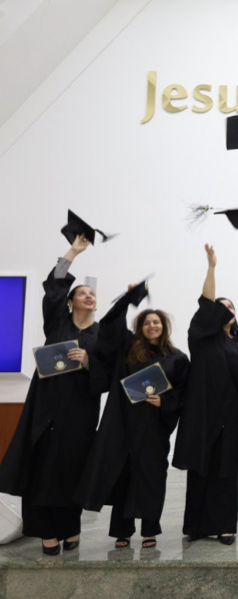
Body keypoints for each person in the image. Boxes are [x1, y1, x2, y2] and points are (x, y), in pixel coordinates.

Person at [0, 234, 100, 555]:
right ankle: (46, 532)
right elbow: (54, 286)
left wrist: (88, 362)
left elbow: (109, 376)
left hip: (79, 415)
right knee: (41, 469)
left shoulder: (101, 336)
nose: (88, 296)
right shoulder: (57, 322)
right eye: (81, 293)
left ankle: (70, 527)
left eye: (91, 293)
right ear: (70, 302)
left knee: (71, 468)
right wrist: (73, 252)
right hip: (44, 410)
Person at [75, 286, 189, 549]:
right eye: (147, 322)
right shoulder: (127, 348)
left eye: (156, 322)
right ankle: (122, 531)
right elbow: (111, 323)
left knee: (151, 477)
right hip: (124, 423)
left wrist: (165, 401)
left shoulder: (177, 358)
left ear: (164, 327)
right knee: (123, 477)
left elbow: (184, 393)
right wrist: (128, 299)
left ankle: (150, 529)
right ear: (140, 327)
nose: (152, 326)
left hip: (154, 427)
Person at [172, 244, 238, 545]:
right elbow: (207, 303)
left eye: (231, 307)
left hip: (229, 418)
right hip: (201, 415)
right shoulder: (201, 338)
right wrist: (211, 267)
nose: (226, 311)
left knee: (225, 473)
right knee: (199, 470)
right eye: (221, 308)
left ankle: (225, 527)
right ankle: (196, 526)